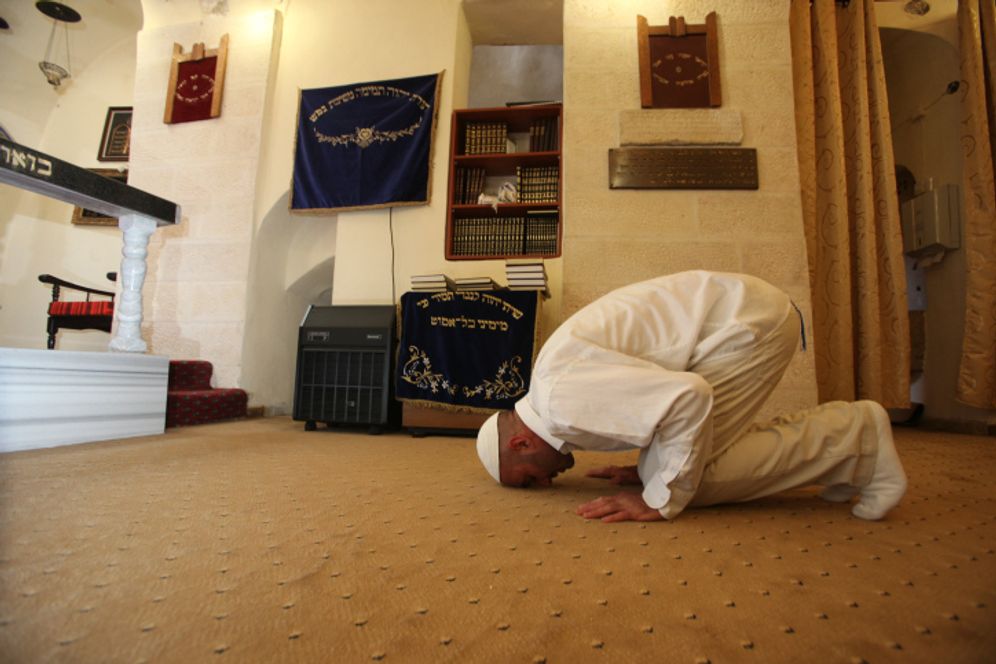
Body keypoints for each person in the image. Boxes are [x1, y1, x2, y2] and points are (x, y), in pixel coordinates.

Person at [475, 270, 907, 523]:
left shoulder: (559, 401)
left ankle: (858, 442)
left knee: (692, 483)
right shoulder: (550, 389)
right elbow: (663, 404)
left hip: (747, 329)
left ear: (521, 443)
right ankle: (843, 457)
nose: (547, 483)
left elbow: (687, 398)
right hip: (745, 317)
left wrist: (655, 498)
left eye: (531, 477)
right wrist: (647, 467)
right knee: (665, 466)